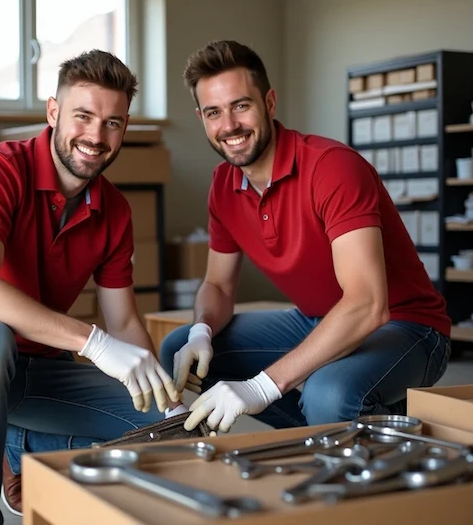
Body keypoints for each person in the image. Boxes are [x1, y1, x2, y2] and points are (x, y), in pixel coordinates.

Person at [0, 50, 180, 524]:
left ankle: (24, 446)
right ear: (53, 113)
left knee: (174, 431)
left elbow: (125, 320)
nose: (96, 136)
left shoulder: (115, 211)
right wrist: (92, 342)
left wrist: (164, 398)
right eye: (83, 117)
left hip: (35, 371)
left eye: (113, 123)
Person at [160, 40, 452, 435]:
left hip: (409, 326)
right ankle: (346, 428)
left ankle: (347, 423)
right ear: (202, 118)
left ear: (270, 103)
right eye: (214, 112)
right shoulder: (222, 185)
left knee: (327, 395)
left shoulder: (331, 168)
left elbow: (368, 305)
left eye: (241, 106)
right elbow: (217, 284)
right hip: (316, 320)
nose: (229, 125)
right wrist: (201, 331)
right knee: (180, 349)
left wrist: (262, 387)